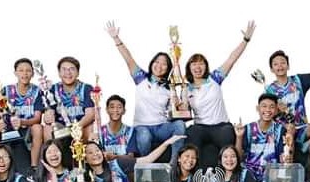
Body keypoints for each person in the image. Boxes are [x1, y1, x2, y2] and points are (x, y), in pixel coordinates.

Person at [105, 21, 185, 163]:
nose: (159, 66)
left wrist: (177, 103)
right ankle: (145, 166)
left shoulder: (169, 88)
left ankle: (174, 164)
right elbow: (129, 59)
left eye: (164, 64)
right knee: (144, 136)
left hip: (161, 126)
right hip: (142, 126)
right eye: (157, 62)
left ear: (168, 69)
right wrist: (116, 39)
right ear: (152, 63)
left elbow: (173, 112)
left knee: (179, 124)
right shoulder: (141, 78)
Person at [184, 21, 256, 168]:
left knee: (227, 134)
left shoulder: (214, 79)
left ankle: (230, 175)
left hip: (220, 126)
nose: (198, 67)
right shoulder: (186, 89)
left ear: (206, 66)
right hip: (200, 127)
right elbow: (184, 112)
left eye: (201, 63)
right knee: (192, 133)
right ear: (189, 68)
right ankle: (194, 175)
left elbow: (232, 59)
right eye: (194, 64)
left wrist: (245, 40)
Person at [0, 58, 44, 170]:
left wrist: (22, 122)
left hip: (27, 128)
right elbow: (0, 113)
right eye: (21, 70)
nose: (25, 73)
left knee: (38, 128)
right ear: (15, 73)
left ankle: (34, 167)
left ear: (33, 73)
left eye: (28, 70)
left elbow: (37, 118)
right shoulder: (6, 90)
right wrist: (1, 122)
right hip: (9, 129)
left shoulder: (37, 91)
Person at [234, 93, 287, 182]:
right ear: (257, 108)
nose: (267, 110)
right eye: (264, 106)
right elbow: (238, 157)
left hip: (272, 173)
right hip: (250, 173)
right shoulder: (248, 128)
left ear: (276, 110)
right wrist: (239, 137)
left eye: (271, 107)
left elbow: (283, 158)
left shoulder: (280, 130)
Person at [43, 56, 95, 141]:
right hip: (61, 128)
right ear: (59, 73)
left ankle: (86, 149)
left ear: (78, 73)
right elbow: (49, 114)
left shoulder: (86, 88)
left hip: (80, 125)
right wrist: (47, 117)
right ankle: (51, 149)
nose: (68, 72)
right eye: (64, 69)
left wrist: (76, 127)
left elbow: (90, 114)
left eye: (72, 69)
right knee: (47, 128)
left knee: (90, 126)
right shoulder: (52, 89)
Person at [99, 94, 138, 161]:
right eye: (112, 107)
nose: (115, 110)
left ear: (124, 111)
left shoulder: (130, 131)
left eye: (119, 107)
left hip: (124, 166)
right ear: (107, 110)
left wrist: (114, 157)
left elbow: (131, 157)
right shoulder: (100, 131)